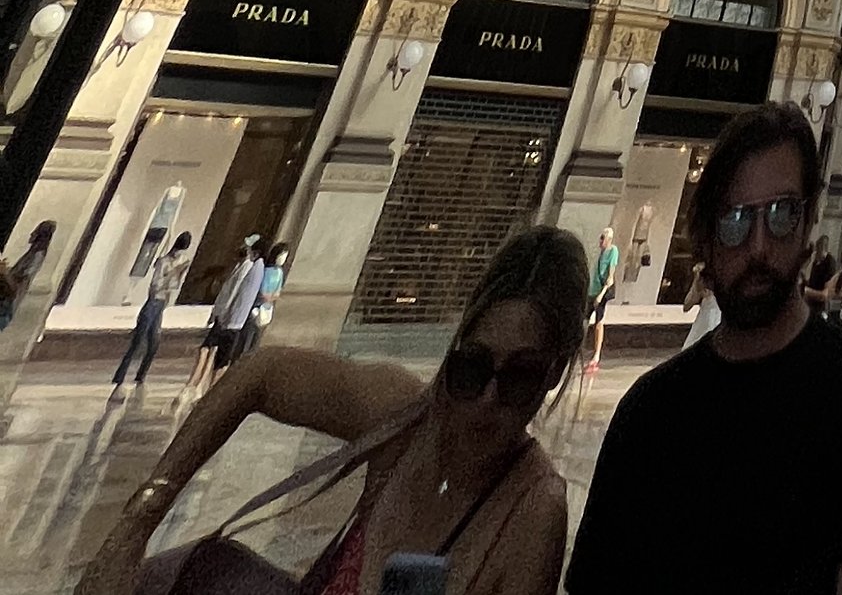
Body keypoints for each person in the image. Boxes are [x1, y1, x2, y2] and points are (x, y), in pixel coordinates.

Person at [76, 226, 585, 595]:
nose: (486, 399)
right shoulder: (406, 418)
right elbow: (259, 374)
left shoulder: (532, 513)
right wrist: (133, 529)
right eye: (472, 368)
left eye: (520, 378)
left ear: (554, 375)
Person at [568, 100, 842, 595]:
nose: (758, 247)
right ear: (706, 239)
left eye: (781, 215)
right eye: (735, 220)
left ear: (808, 225)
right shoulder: (648, 414)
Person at [109, 232, 193, 397]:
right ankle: (120, 377)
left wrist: (178, 276)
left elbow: (173, 287)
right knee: (138, 342)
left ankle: (141, 376)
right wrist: (173, 274)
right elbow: (156, 285)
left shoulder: (179, 262)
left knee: (154, 343)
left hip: (161, 304)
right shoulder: (164, 262)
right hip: (153, 303)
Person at [191, 237, 265, 394]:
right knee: (210, 352)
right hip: (227, 318)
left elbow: (233, 294)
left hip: (230, 320)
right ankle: (199, 386)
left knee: (217, 356)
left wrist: (223, 315)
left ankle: (206, 389)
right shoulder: (243, 267)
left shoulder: (248, 267)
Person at [0, 219, 54, 335]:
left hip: (6, 305)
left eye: (34, 233)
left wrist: (5, 274)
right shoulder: (32, 254)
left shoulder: (36, 256)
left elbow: (16, 287)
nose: (31, 235)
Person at [586, 231, 622, 377]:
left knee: (598, 322)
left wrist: (600, 295)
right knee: (585, 319)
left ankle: (596, 355)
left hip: (600, 292)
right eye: (600, 237)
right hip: (592, 290)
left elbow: (610, 277)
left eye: (603, 238)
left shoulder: (613, 251)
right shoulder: (600, 253)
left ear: (609, 239)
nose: (600, 241)